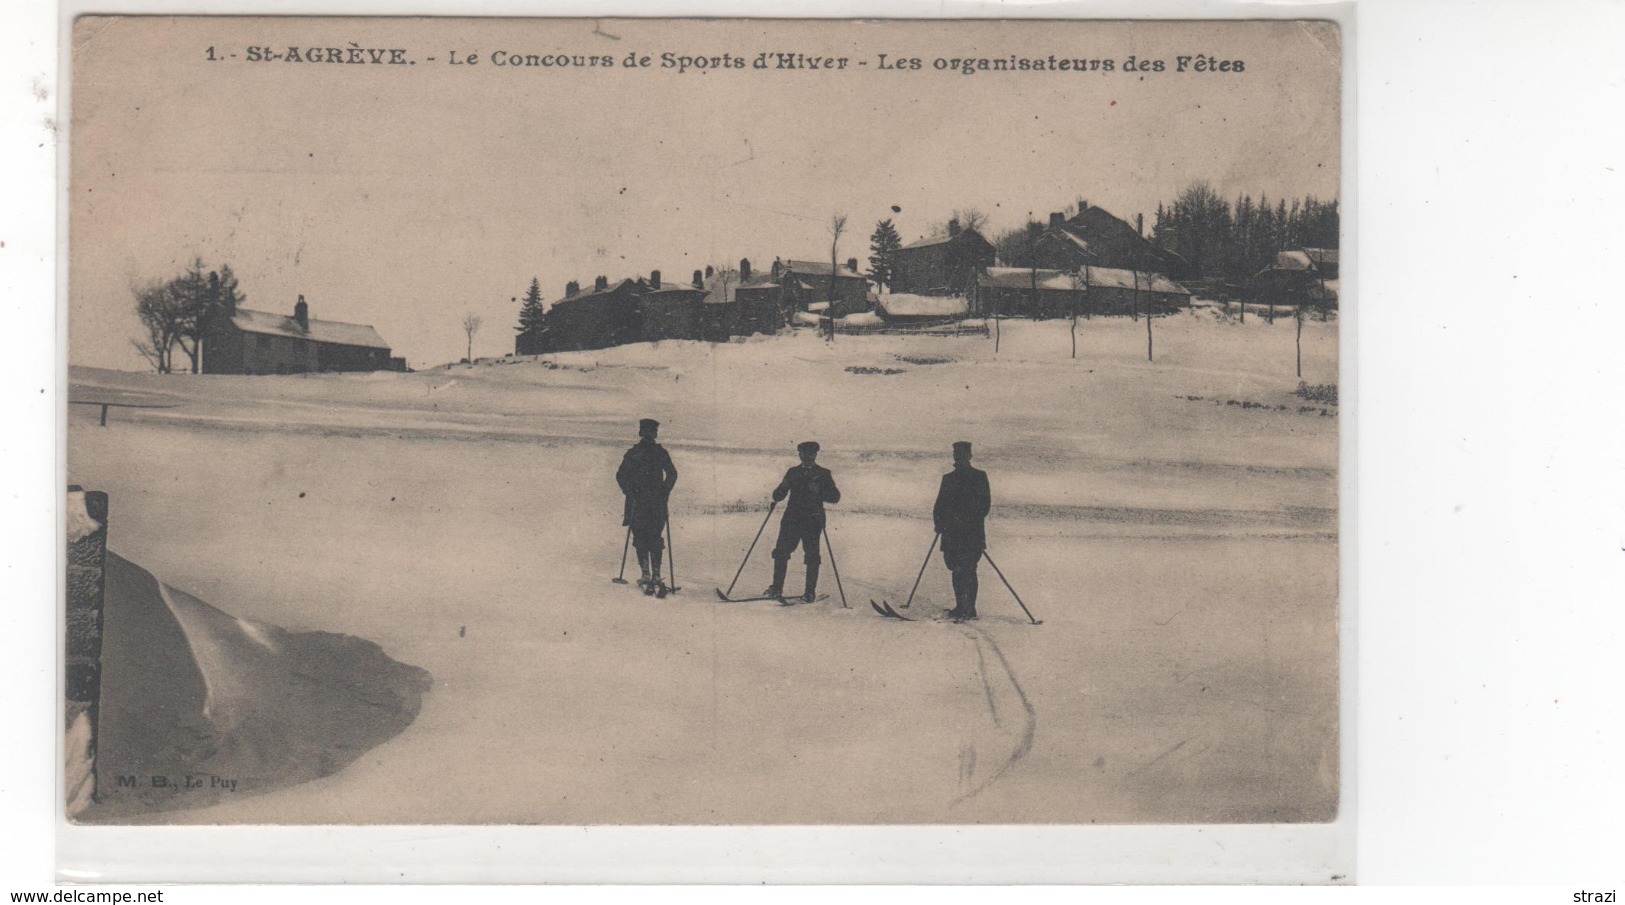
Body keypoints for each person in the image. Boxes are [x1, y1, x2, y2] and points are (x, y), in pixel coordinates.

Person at [766, 441, 841, 602]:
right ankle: (776, 588)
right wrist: (780, 490)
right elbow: (779, 495)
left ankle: (809, 593)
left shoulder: (823, 474)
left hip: (813, 521)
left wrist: (819, 492)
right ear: (799, 455)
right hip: (791, 520)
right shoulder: (792, 472)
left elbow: (835, 497)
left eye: (810, 454)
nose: (807, 457)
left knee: (812, 556)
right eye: (803, 454)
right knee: (781, 553)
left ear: (815, 455)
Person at [616, 418, 678, 596]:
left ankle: (649, 575)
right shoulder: (655, 453)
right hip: (650, 503)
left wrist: (631, 490)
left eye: (650, 432)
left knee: (643, 537)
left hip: (643, 503)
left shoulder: (635, 453)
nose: (650, 435)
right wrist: (663, 492)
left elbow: (621, 476)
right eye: (649, 432)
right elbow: (672, 474)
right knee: (653, 537)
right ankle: (652, 575)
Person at [933, 441, 991, 621]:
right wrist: (939, 523)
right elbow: (939, 505)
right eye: (955, 454)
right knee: (956, 569)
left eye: (962, 454)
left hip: (971, 534)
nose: (958, 457)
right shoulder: (948, 478)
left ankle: (970, 608)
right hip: (951, 534)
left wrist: (965, 520)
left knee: (969, 569)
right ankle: (960, 606)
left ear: (969, 456)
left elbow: (984, 506)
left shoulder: (980, 477)